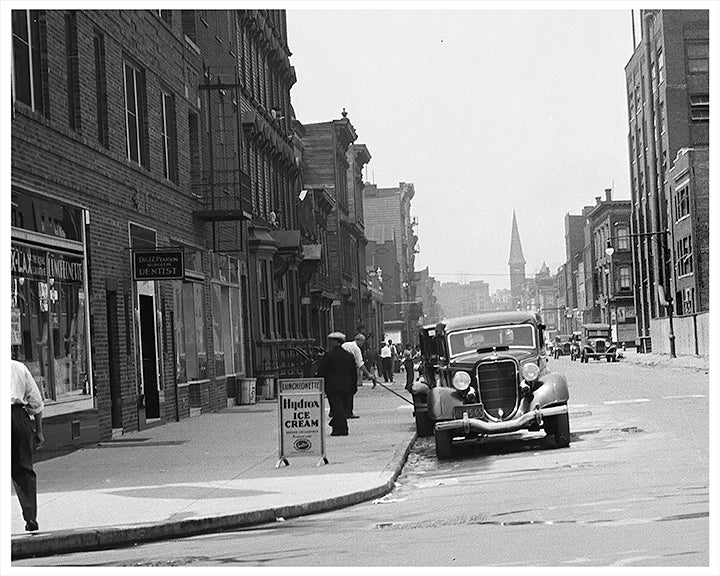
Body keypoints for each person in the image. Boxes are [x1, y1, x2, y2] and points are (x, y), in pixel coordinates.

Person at [11, 358, 45, 532]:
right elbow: (36, 402)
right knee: (24, 469)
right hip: (18, 417)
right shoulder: (18, 367)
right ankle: (30, 516)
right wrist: (39, 431)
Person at [316, 332, 356, 436]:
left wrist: (319, 381)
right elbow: (353, 373)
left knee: (336, 407)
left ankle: (339, 429)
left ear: (336, 342)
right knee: (342, 407)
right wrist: (353, 387)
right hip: (347, 386)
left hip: (333, 386)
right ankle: (340, 427)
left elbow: (322, 371)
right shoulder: (349, 356)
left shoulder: (329, 356)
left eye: (331, 341)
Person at [342, 333, 379, 418]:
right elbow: (360, 364)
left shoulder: (346, 344)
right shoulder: (356, 348)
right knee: (350, 391)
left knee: (341, 391)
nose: (362, 344)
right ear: (359, 340)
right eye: (362, 342)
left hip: (339, 370)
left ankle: (337, 411)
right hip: (349, 370)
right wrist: (369, 375)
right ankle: (348, 412)